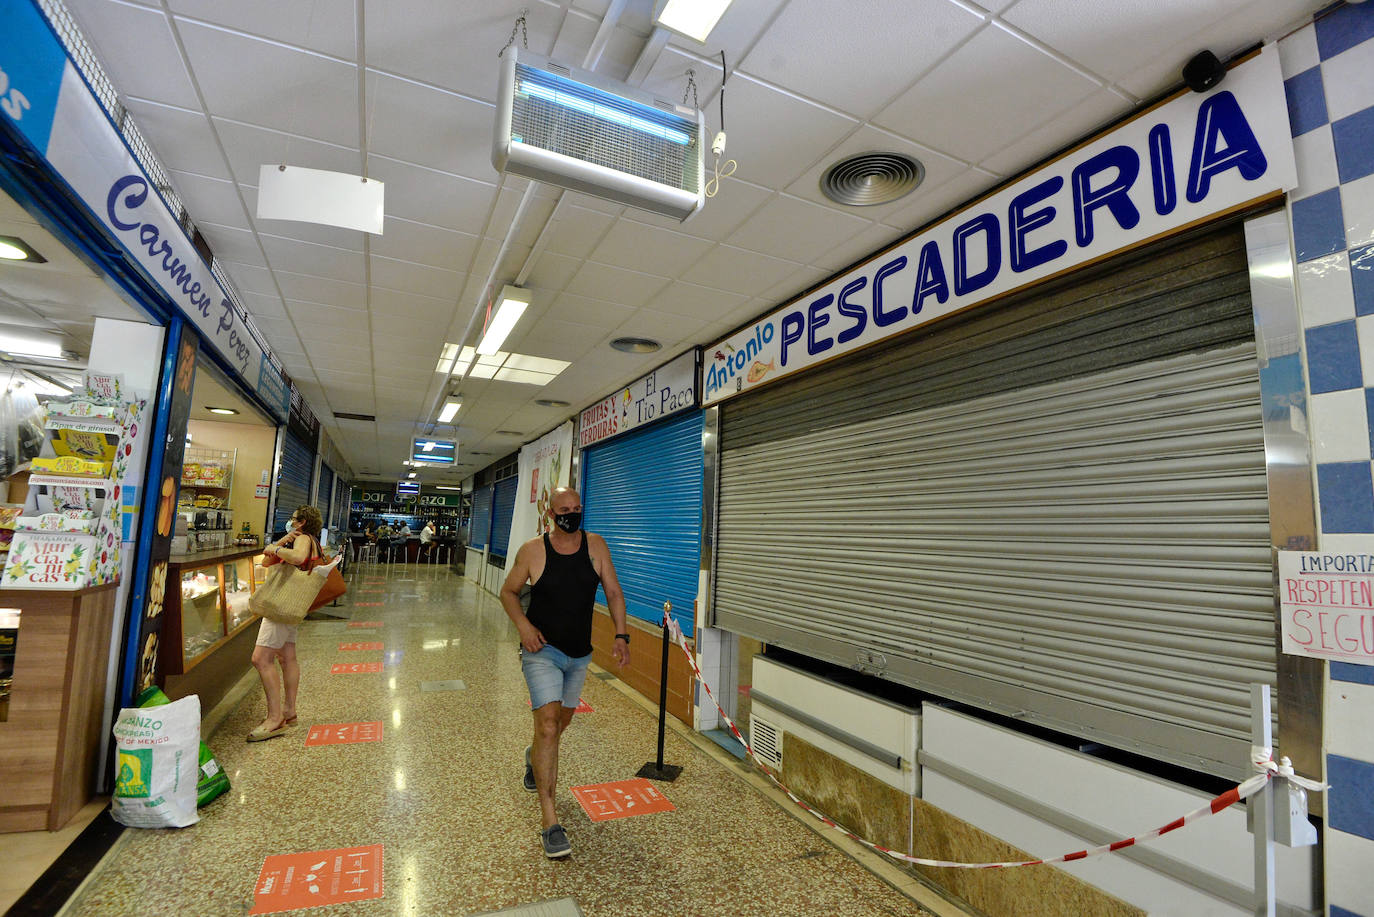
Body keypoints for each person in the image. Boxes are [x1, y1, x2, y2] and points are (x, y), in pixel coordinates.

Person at [500, 486, 630, 859]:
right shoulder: (533, 551)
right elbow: (508, 592)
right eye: (564, 510)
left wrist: (622, 635)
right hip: (541, 651)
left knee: (561, 724)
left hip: (579, 654)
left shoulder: (596, 546)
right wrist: (524, 627)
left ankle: (533, 755)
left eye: (576, 508)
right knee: (548, 726)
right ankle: (550, 821)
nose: (571, 515)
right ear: (550, 513)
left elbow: (614, 592)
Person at [248, 504, 323, 742]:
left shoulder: (302, 539)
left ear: (302, 522)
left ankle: (275, 718)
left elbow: (298, 557)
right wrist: (280, 543)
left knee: (261, 659)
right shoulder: (307, 539)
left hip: (280, 606)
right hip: (292, 606)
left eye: (293, 518)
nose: (290, 521)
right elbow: (265, 562)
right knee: (287, 657)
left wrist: (277, 548)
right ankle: (289, 711)